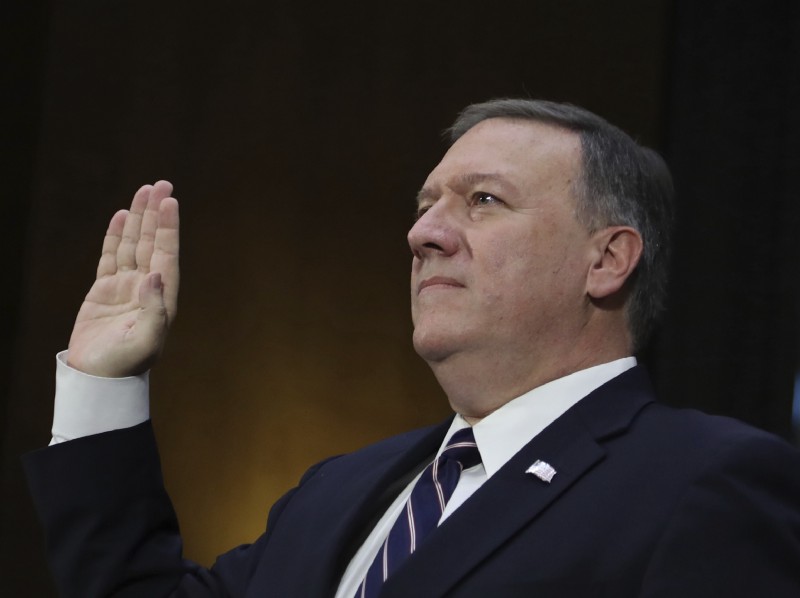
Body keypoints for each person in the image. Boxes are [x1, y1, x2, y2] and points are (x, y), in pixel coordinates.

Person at [24, 99, 800, 597]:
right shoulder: (338, 491)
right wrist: (103, 386)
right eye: (427, 204)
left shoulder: (703, 483)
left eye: (483, 201)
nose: (422, 232)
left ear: (606, 260)